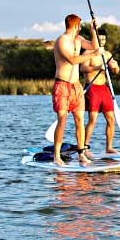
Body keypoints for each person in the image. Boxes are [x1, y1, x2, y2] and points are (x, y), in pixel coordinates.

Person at [49, 14, 97, 166]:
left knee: (80, 120)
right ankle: (57, 156)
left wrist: (94, 30)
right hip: (62, 86)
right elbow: (72, 59)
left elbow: (94, 46)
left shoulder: (79, 39)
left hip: (76, 86)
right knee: (62, 121)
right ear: (75, 25)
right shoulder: (61, 41)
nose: (80, 28)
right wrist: (95, 55)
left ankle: (81, 154)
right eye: (80, 25)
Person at [81, 29, 120, 155]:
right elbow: (83, 68)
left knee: (111, 119)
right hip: (92, 88)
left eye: (104, 39)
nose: (102, 41)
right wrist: (98, 67)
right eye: (100, 39)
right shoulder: (88, 52)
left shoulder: (107, 54)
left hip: (104, 89)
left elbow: (116, 72)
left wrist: (115, 66)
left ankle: (109, 148)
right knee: (92, 119)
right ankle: (84, 147)